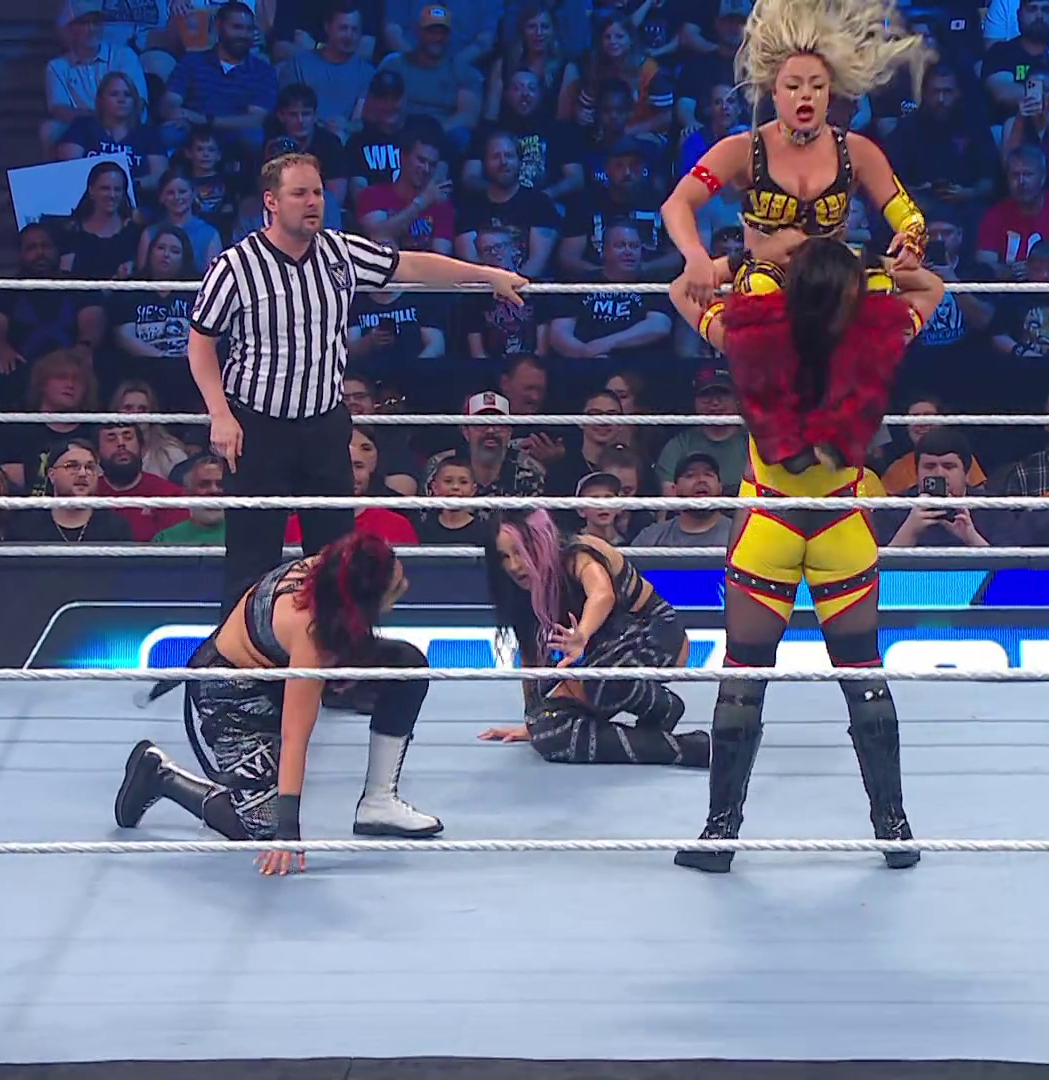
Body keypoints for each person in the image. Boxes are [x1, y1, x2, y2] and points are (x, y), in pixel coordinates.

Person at [665, 236, 944, 873]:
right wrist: (883, 268)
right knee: (862, 676)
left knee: (744, 676)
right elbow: (932, 288)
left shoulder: (748, 338)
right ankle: (894, 828)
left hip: (770, 520)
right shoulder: (878, 337)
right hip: (841, 522)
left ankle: (720, 834)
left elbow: (680, 290)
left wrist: (742, 262)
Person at [190, 152, 527, 622]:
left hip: (324, 425)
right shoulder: (236, 267)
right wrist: (220, 414)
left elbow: (412, 266)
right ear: (271, 201)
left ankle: (335, 654)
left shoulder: (339, 253)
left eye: (317, 192)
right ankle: (237, 661)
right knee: (252, 558)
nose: (313, 202)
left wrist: (487, 277)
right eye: (299, 193)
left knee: (334, 558)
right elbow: (200, 342)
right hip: (256, 427)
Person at [116, 532, 442, 877]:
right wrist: (288, 830)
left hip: (278, 664)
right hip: (232, 690)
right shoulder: (311, 633)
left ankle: (379, 801)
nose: (405, 585)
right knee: (261, 828)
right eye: (396, 585)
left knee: (405, 667)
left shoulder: (335, 569)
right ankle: (161, 775)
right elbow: (295, 737)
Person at [659, 0, 932, 310]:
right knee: (748, 289)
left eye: (817, 86)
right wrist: (695, 255)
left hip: (832, 278)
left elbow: (906, 214)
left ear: (829, 94)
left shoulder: (858, 151)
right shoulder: (742, 149)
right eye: (793, 85)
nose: (805, 95)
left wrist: (912, 236)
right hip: (760, 273)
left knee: (906, 286)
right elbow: (677, 204)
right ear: (773, 92)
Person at [475, 509, 708, 767]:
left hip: (654, 637)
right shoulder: (522, 589)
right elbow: (530, 656)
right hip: (602, 659)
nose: (514, 565)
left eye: (520, 551)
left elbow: (602, 594)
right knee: (550, 733)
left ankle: (661, 706)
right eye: (504, 556)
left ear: (540, 541)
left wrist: (582, 634)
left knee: (598, 676)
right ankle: (683, 746)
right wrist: (533, 720)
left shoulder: (577, 553)